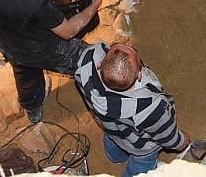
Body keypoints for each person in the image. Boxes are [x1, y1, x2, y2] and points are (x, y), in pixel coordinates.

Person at [75, 40, 189, 177]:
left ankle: (116, 157)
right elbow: (166, 134)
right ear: (139, 75)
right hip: (140, 147)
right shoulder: (149, 107)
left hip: (112, 129)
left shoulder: (86, 66)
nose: (128, 44)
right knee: (140, 165)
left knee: (112, 140)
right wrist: (181, 142)